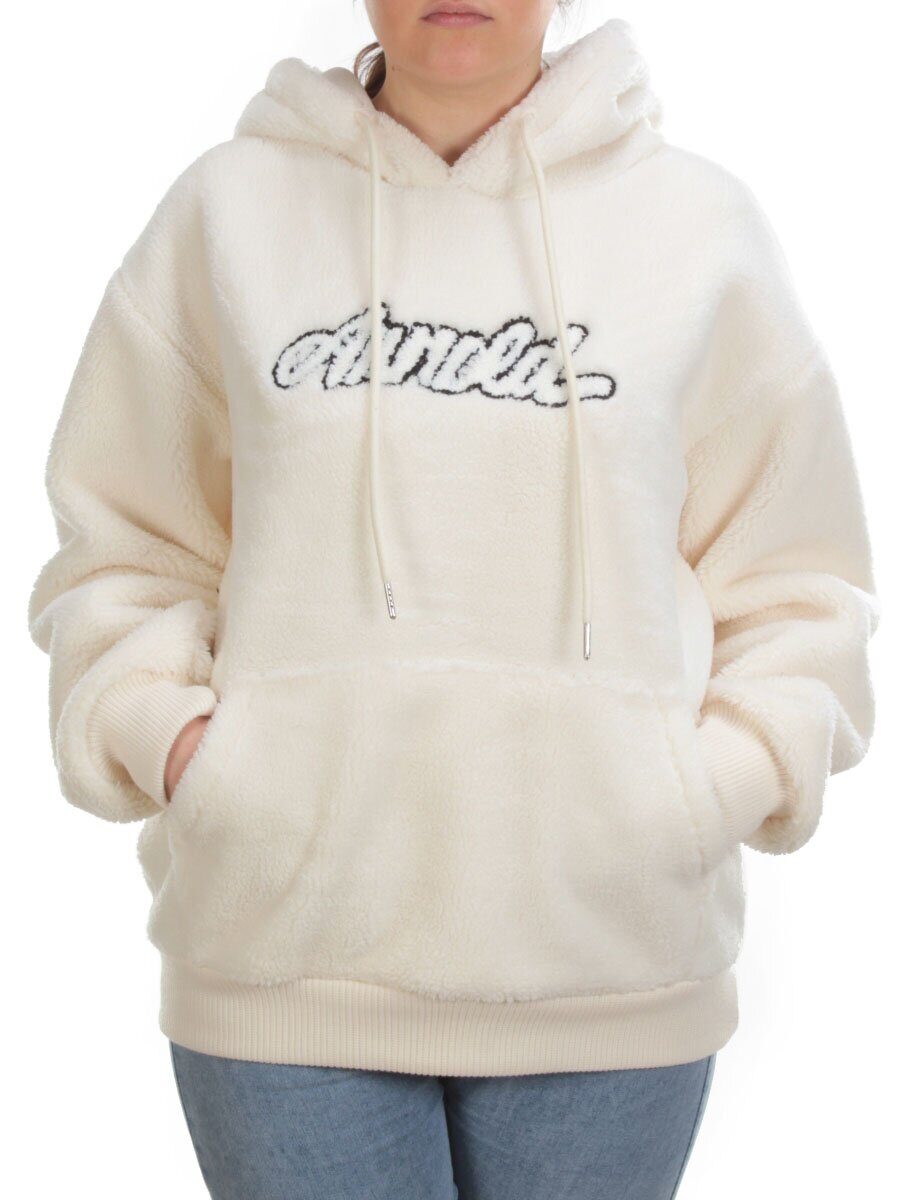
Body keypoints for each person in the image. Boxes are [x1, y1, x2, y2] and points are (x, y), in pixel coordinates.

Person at [27, 2, 878, 1197]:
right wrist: (176, 744)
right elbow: (126, 539)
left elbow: (796, 580)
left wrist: (701, 791)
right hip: (283, 964)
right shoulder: (227, 214)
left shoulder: (696, 229)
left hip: (612, 969)